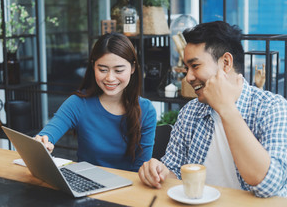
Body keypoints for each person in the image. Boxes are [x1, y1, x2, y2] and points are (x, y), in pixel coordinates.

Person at [138, 21, 287, 197]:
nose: (188, 77)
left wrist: (226, 108)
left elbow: (268, 185)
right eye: (187, 69)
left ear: (226, 63)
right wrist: (158, 172)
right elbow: (174, 171)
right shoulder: (191, 111)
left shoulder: (272, 108)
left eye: (195, 66)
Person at [35, 32, 157, 172]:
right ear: (93, 67)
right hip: (87, 184)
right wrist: (42, 143)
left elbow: (141, 169)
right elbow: (46, 135)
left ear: (133, 68)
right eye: (103, 69)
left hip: (128, 187)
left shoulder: (146, 110)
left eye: (118, 70)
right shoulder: (78, 103)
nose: (110, 78)